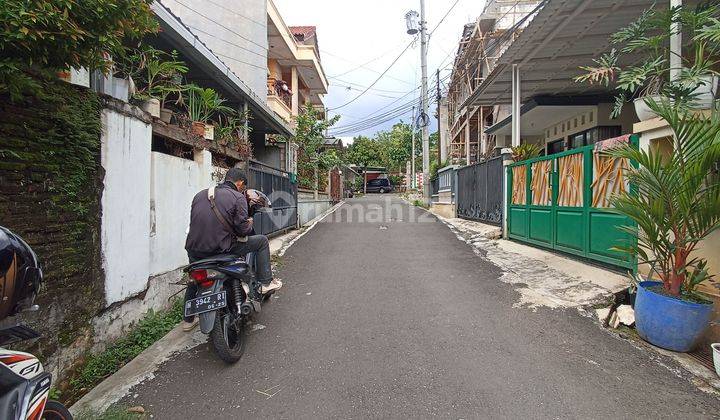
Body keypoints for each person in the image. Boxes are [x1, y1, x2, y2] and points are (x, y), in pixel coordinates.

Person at [183, 168, 282, 331]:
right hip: (221, 248)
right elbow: (242, 230)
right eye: (243, 187)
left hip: (194, 249)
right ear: (240, 183)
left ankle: (187, 321)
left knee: (196, 277)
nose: (243, 190)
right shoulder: (237, 197)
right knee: (262, 241)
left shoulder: (200, 195)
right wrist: (249, 221)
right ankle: (266, 283)